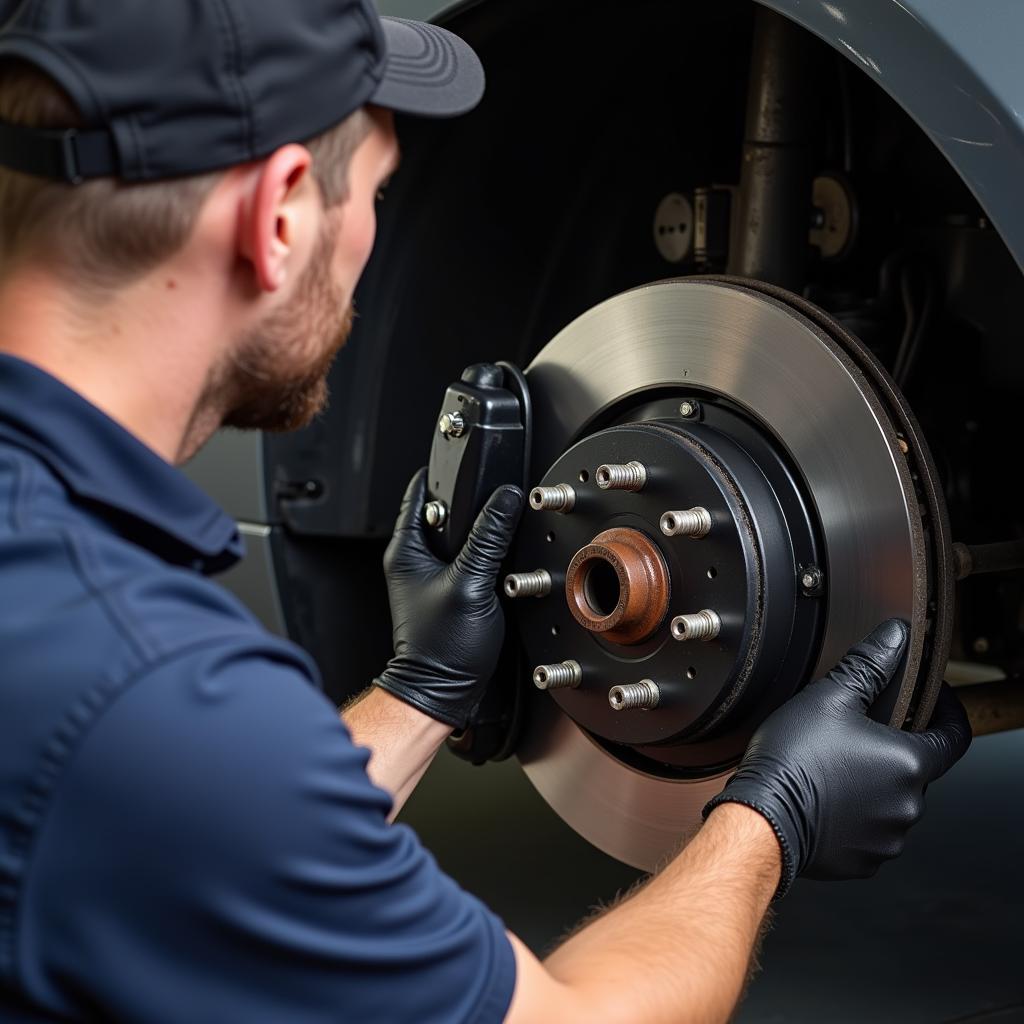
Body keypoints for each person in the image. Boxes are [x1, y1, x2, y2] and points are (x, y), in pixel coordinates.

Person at [0, 2, 970, 1022]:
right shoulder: (146, 686)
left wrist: (420, 692)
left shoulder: (79, 638)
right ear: (279, 214)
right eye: (376, 192)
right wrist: (773, 813)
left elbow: (186, 832)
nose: (372, 242)